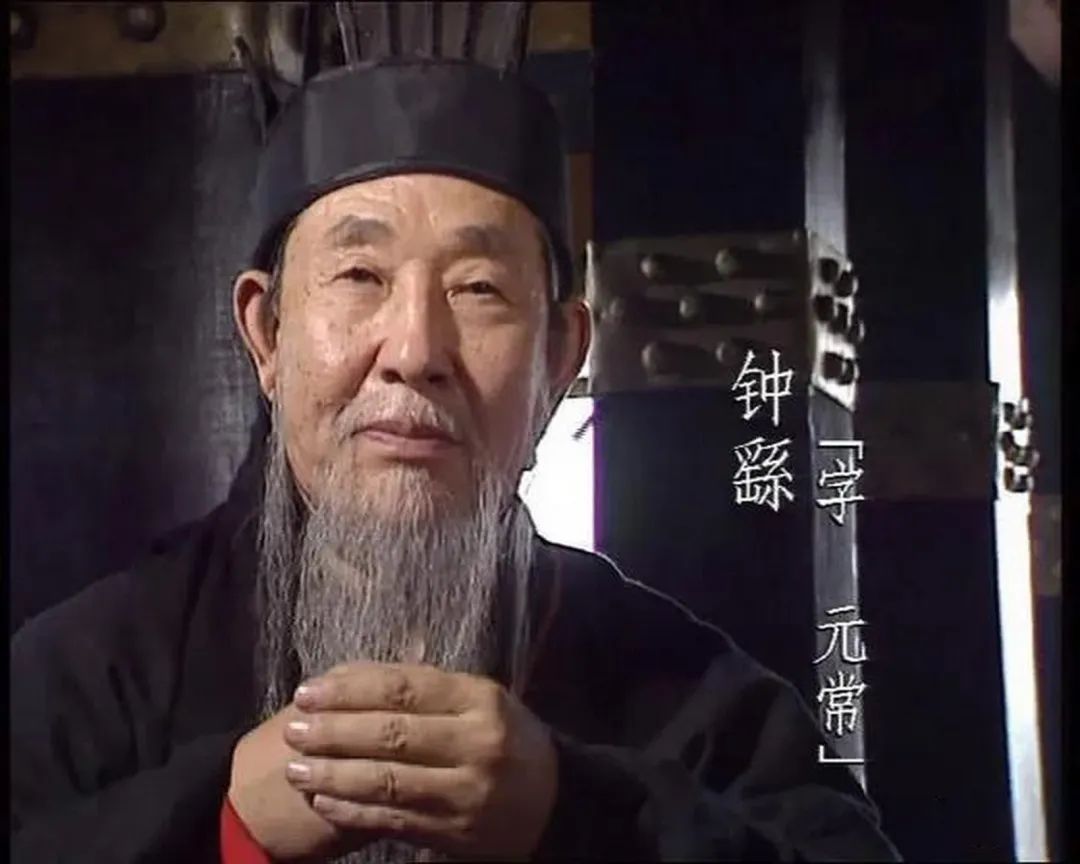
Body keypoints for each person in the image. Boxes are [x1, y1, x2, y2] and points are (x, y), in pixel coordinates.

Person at [10, 19, 901, 864]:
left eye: (480, 290)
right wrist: (224, 830)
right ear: (267, 334)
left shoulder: (689, 696)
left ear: (559, 359)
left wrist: (569, 816)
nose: (415, 351)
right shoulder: (91, 673)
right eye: (360, 275)